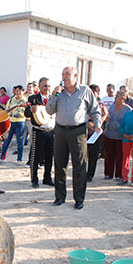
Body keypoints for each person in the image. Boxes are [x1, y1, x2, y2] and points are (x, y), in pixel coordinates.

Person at [46, 66, 101, 209]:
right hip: (60, 131)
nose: (64, 77)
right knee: (59, 164)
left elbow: (95, 110)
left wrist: (97, 124)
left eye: (67, 74)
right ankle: (59, 197)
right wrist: (53, 95)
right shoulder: (59, 93)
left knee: (79, 166)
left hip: (78, 132)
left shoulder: (85, 91)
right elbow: (49, 110)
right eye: (63, 74)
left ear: (75, 76)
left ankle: (79, 199)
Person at [26, 77, 55, 188]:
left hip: (51, 130)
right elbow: (26, 113)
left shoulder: (52, 98)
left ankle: (47, 178)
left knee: (49, 156)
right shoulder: (33, 98)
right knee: (35, 156)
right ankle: (34, 179)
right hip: (39, 131)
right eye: (45, 86)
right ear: (39, 86)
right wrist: (31, 110)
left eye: (48, 86)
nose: (47, 88)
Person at [103, 91, 131, 180]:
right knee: (108, 155)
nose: (115, 97)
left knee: (120, 156)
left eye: (117, 96)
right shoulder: (112, 106)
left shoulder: (128, 109)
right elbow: (108, 116)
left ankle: (119, 175)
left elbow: (128, 123)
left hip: (120, 137)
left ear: (123, 98)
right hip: (108, 134)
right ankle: (108, 173)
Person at [86, 84, 108, 182]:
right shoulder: (84, 103)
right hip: (84, 131)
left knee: (93, 154)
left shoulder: (100, 104)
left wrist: (98, 124)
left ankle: (90, 174)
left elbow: (106, 114)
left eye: (94, 92)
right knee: (81, 154)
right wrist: (87, 124)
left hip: (96, 132)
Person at [1, 85, 27, 162]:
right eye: (17, 90)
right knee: (7, 140)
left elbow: (27, 111)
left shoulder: (25, 100)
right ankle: (2, 157)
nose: (18, 92)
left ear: (23, 91)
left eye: (20, 91)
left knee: (19, 141)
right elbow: (7, 108)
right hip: (11, 122)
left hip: (20, 122)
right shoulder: (12, 99)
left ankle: (19, 159)